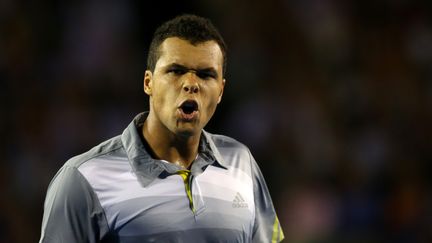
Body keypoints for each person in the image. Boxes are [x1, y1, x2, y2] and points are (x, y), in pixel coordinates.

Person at [39, 14, 284, 242]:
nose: (191, 84)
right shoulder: (82, 179)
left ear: (220, 91)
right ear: (149, 83)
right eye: (176, 71)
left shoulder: (242, 163)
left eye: (206, 74)